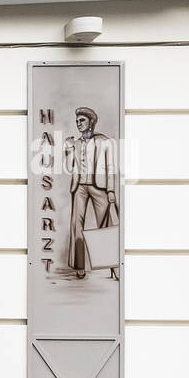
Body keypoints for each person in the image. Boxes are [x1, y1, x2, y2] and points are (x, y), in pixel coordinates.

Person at [65, 106, 119, 280]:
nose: (78, 123)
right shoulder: (76, 143)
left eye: (82, 120)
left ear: (91, 122)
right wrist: (68, 151)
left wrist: (111, 190)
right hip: (79, 186)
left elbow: (111, 167)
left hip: (100, 187)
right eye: (77, 121)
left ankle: (112, 265)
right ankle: (79, 266)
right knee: (76, 226)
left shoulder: (105, 141)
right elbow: (68, 168)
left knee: (106, 226)